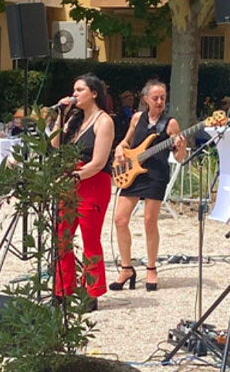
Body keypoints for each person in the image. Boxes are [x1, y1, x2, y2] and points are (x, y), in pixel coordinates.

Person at [111, 79, 186, 292]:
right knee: (119, 219)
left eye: (163, 97)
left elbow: (180, 157)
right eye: (155, 98)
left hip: (155, 174)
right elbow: (126, 142)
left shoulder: (170, 124)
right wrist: (119, 149)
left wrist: (180, 146)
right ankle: (126, 268)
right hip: (133, 173)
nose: (160, 101)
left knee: (149, 221)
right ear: (146, 99)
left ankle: (151, 268)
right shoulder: (137, 118)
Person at [50, 73, 115, 311]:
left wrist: (72, 176)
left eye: (80, 90)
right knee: (61, 237)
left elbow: (98, 162)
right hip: (69, 182)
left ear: (94, 93)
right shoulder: (74, 120)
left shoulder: (103, 121)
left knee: (90, 239)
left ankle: (91, 291)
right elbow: (54, 145)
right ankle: (62, 289)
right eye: (74, 90)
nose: (74, 94)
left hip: (92, 183)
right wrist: (60, 115)